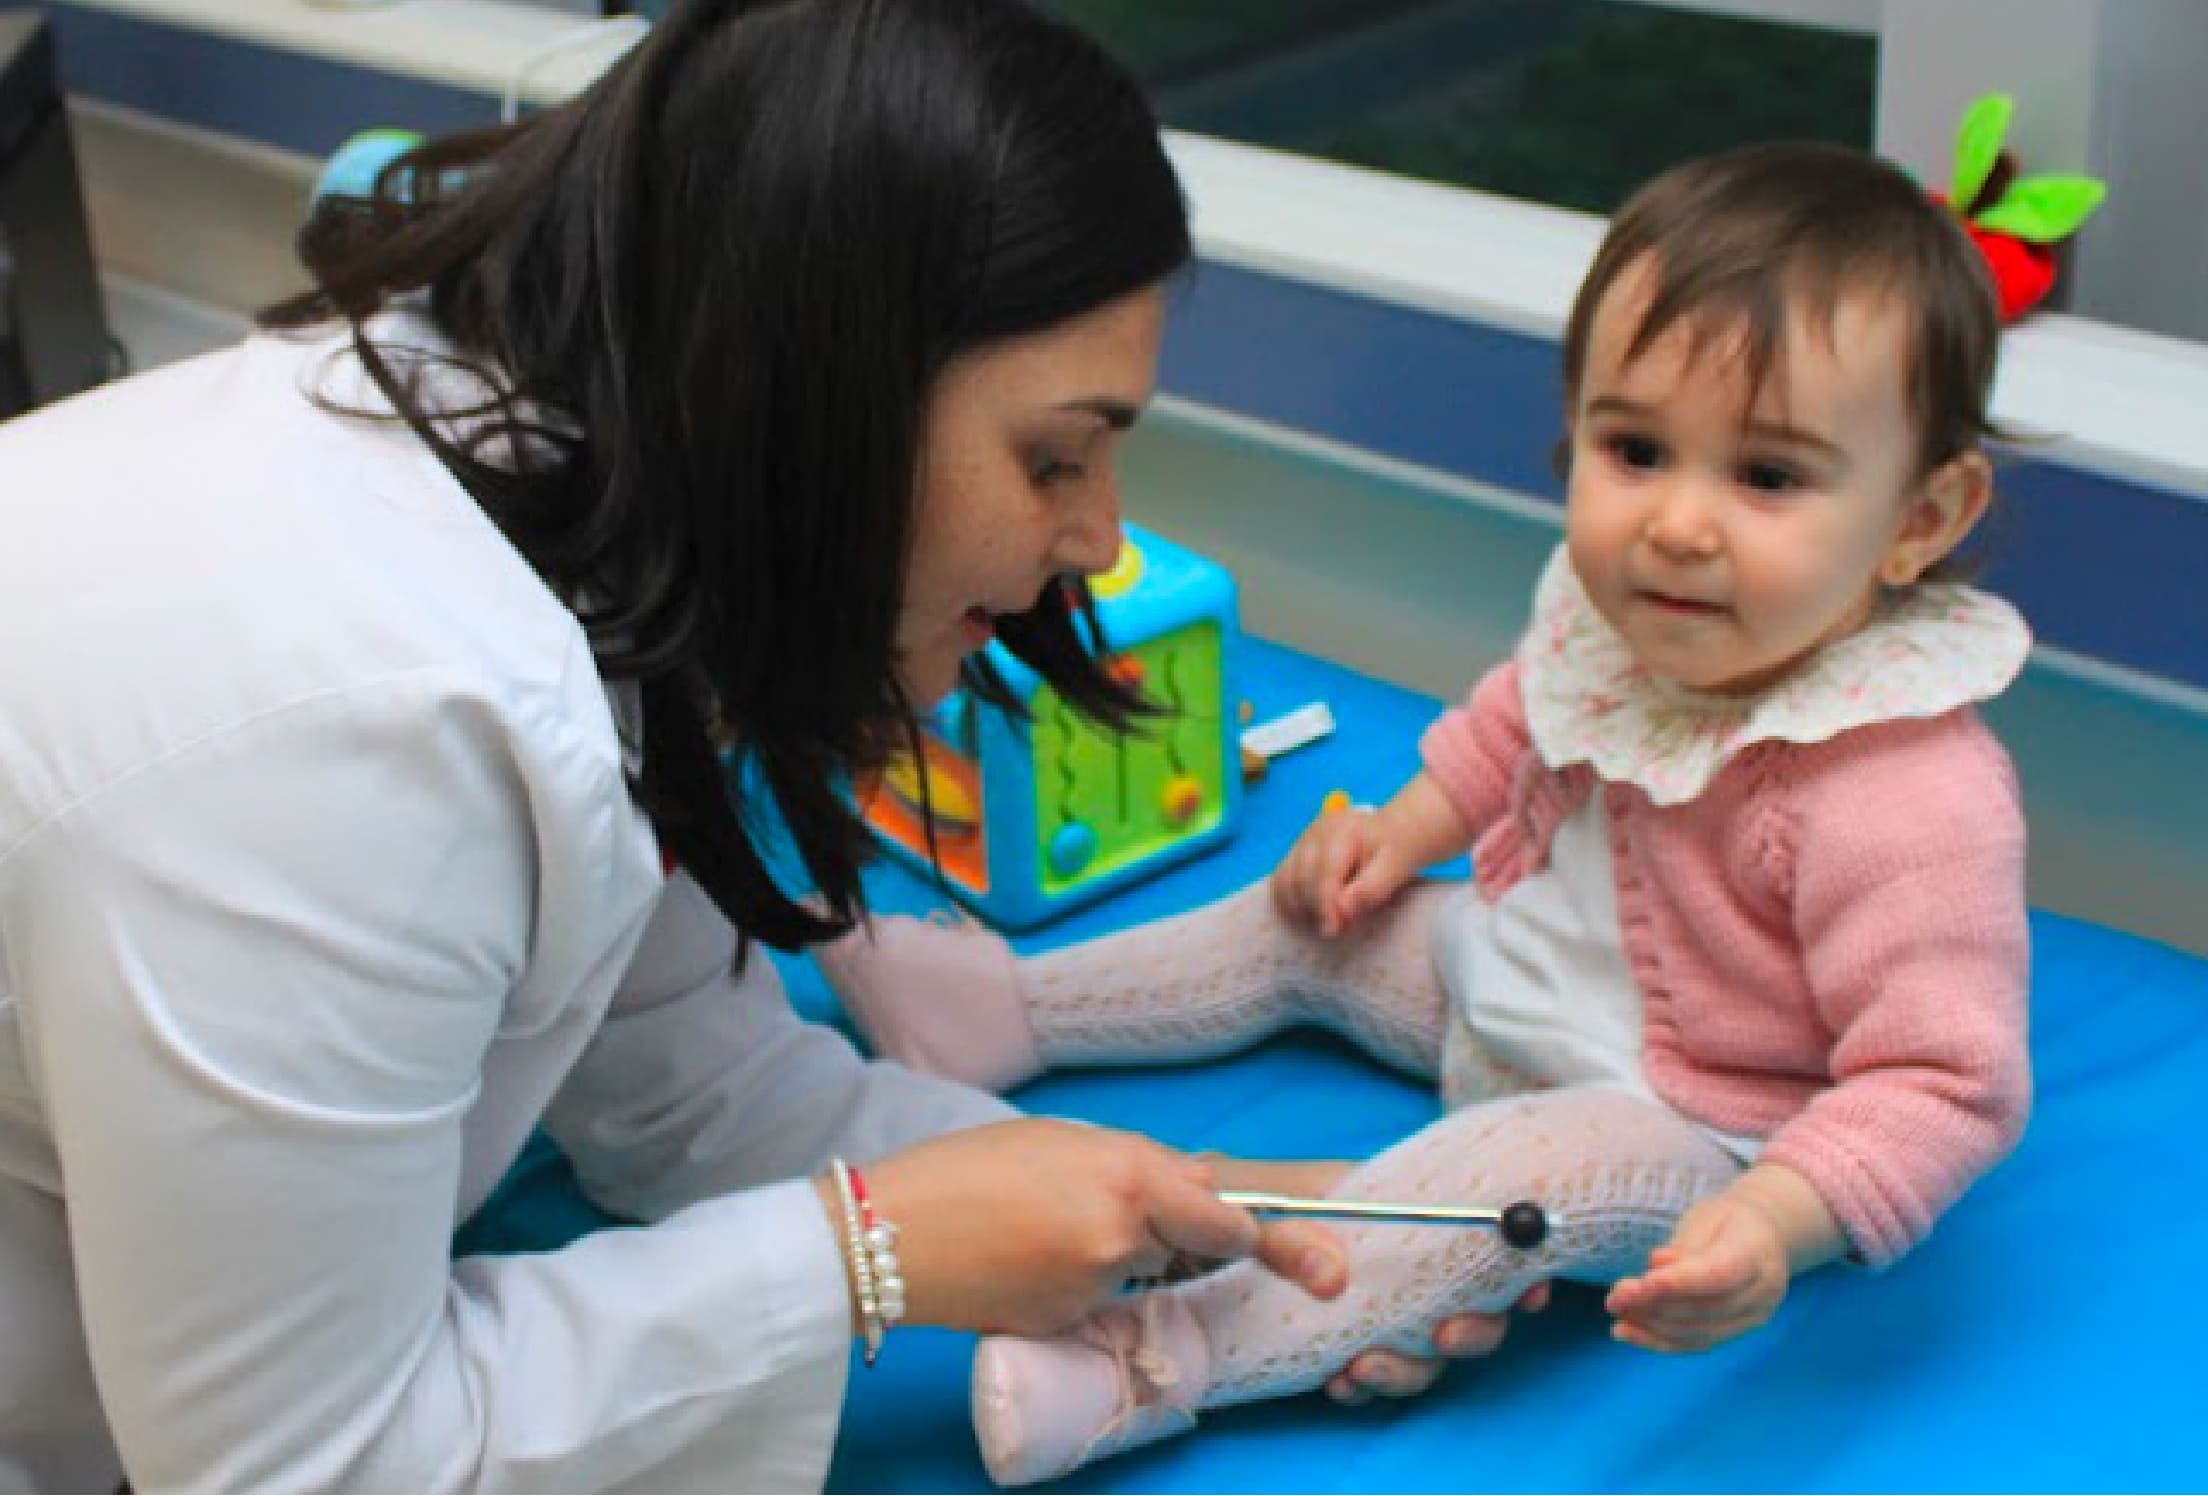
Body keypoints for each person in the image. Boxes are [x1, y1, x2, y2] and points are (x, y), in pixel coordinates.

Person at [0, 1, 1528, 1489]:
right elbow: (300, 1462)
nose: (1097, 540)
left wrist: (1215, 1214)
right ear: (816, 391)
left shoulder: (562, 503)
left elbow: (695, 1093)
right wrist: (865, 1257)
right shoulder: (356, 744)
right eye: (1051, 454)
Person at [818, 139, 2036, 1486]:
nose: (1679, 525)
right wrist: (1395, 837)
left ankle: (1154, 1359)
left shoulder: (1901, 794)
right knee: (1300, 922)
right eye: (1635, 449)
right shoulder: (1633, 617)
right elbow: (1509, 728)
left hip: (1692, 1126)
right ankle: (1001, 1010)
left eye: (1768, 478)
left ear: (1921, 517)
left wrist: (1774, 1218)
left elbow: (1945, 1084)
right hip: (1508, 976)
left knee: (1488, 1186)